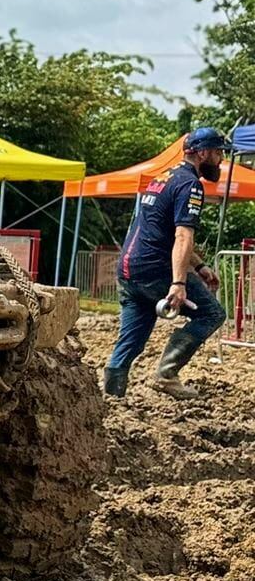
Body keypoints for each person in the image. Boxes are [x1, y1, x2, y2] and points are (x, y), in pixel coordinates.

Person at [103, 127, 231, 399]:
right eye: (218, 152)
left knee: (129, 343)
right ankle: (166, 374)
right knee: (212, 313)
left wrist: (198, 266)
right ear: (203, 153)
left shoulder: (163, 177)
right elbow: (182, 234)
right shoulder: (190, 185)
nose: (221, 160)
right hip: (154, 270)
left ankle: (111, 401)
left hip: (129, 269)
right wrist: (178, 283)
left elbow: (158, 229)